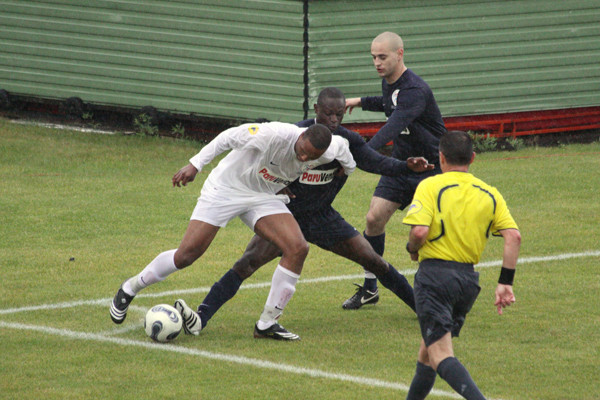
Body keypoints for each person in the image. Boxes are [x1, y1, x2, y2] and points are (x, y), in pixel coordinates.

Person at [173, 87, 434, 340]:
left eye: (339, 114)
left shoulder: (345, 142)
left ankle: (424, 311)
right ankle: (201, 318)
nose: (333, 120)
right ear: (316, 110)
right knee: (247, 264)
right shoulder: (297, 136)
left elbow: (375, 162)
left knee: (373, 260)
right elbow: (265, 163)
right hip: (286, 215)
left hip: (323, 218)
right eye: (328, 114)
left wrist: (406, 166)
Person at [109, 121, 357, 341]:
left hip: (261, 197)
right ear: (300, 137)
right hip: (225, 189)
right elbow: (227, 137)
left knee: (298, 248)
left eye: (311, 157)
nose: (304, 159)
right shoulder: (273, 134)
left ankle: (267, 323)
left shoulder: (331, 149)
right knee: (186, 255)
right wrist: (195, 164)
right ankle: (129, 288)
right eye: (302, 152)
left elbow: (347, 157)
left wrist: (345, 169)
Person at [402, 131, 521, 399]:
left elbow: (419, 232)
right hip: (467, 282)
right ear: (473, 158)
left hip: (435, 278)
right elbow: (513, 236)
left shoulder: (431, 186)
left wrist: (411, 249)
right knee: (427, 350)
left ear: (441, 157)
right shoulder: (489, 193)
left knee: (440, 354)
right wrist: (505, 282)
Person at [343, 31, 447, 309]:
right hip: (401, 164)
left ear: (400, 54)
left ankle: (437, 293)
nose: (377, 62)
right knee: (374, 219)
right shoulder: (391, 83)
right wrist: (360, 101)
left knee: (429, 233)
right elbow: (388, 103)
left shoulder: (415, 90)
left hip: (430, 169)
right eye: (373, 57)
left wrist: (362, 152)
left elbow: (393, 123)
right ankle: (370, 288)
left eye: (382, 57)